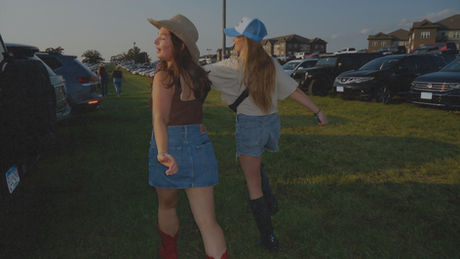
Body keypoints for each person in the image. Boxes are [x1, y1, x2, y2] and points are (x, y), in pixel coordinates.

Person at [205, 17, 328, 252]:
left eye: (236, 36)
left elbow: (199, 73)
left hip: (251, 127)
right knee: (256, 163)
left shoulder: (233, 66)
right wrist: (318, 111)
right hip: (271, 125)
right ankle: (270, 202)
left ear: (244, 40)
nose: (233, 40)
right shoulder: (271, 62)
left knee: (253, 185)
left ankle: (268, 237)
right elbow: (293, 90)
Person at [147, 14, 228, 259]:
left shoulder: (163, 76)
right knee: (208, 223)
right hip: (199, 144)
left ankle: (169, 253)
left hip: (169, 144)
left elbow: (160, 118)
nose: (155, 42)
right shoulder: (199, 76)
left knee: (167, 205)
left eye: (162, 38)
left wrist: (162, 152)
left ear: (180, 45)